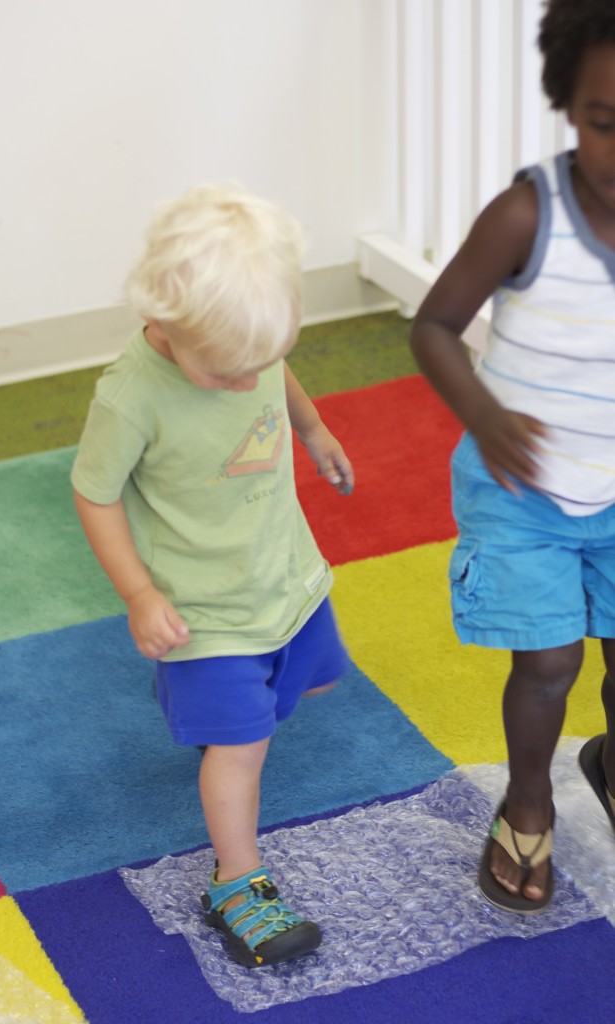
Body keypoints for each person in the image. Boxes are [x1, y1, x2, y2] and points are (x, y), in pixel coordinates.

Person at [71, 183, 354, 965]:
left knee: (315, 684)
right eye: (227, 372)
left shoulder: (244, 342)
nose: (244, 383)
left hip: (284, 575)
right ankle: (236, 879)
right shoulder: (130, 398)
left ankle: (201, 706)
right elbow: (94, 494)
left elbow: (273, 368)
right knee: (241, 744)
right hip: (204, 608)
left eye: (257, 363)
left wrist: (312, 426)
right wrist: (139, 593)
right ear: (160, 321)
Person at [410, 0, 615, 914]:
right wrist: (485, 415)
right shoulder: (527, 214)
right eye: (606, 123)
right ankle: (528, 801)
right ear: (569, 104)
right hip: (522, 487)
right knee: (549, 663)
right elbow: (435, 326)